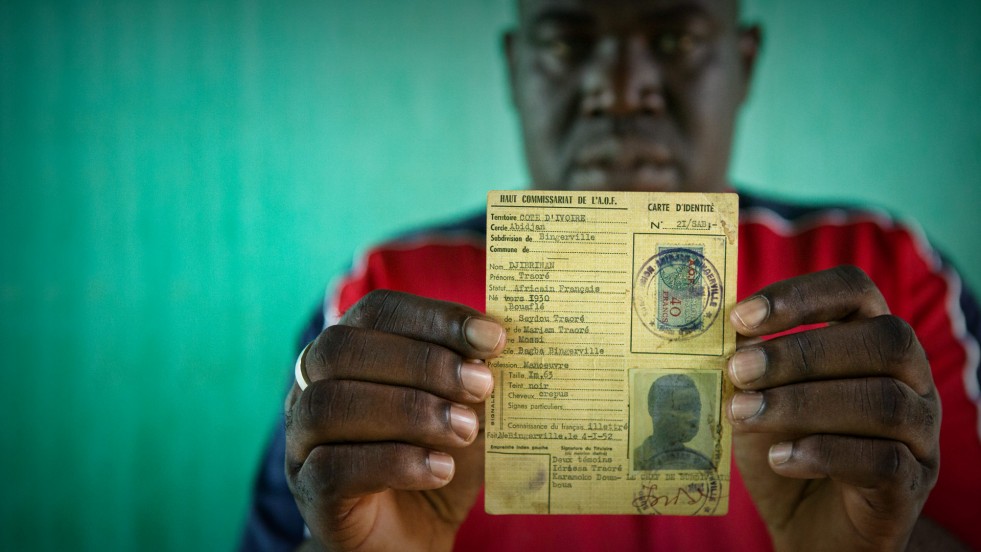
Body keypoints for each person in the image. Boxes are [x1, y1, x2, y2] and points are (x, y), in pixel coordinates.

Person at [240, 0, 981, 549]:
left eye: (676, 35)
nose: (622, 90)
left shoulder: (886, 280)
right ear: (514, 67)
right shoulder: (378, 298)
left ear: (744, 63)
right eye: (567, 39)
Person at [634, 373, 715, 471]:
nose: (693, 417)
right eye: (682, 408)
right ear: (655, 410)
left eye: (696, 408)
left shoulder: (702, 465)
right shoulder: (634, 461)